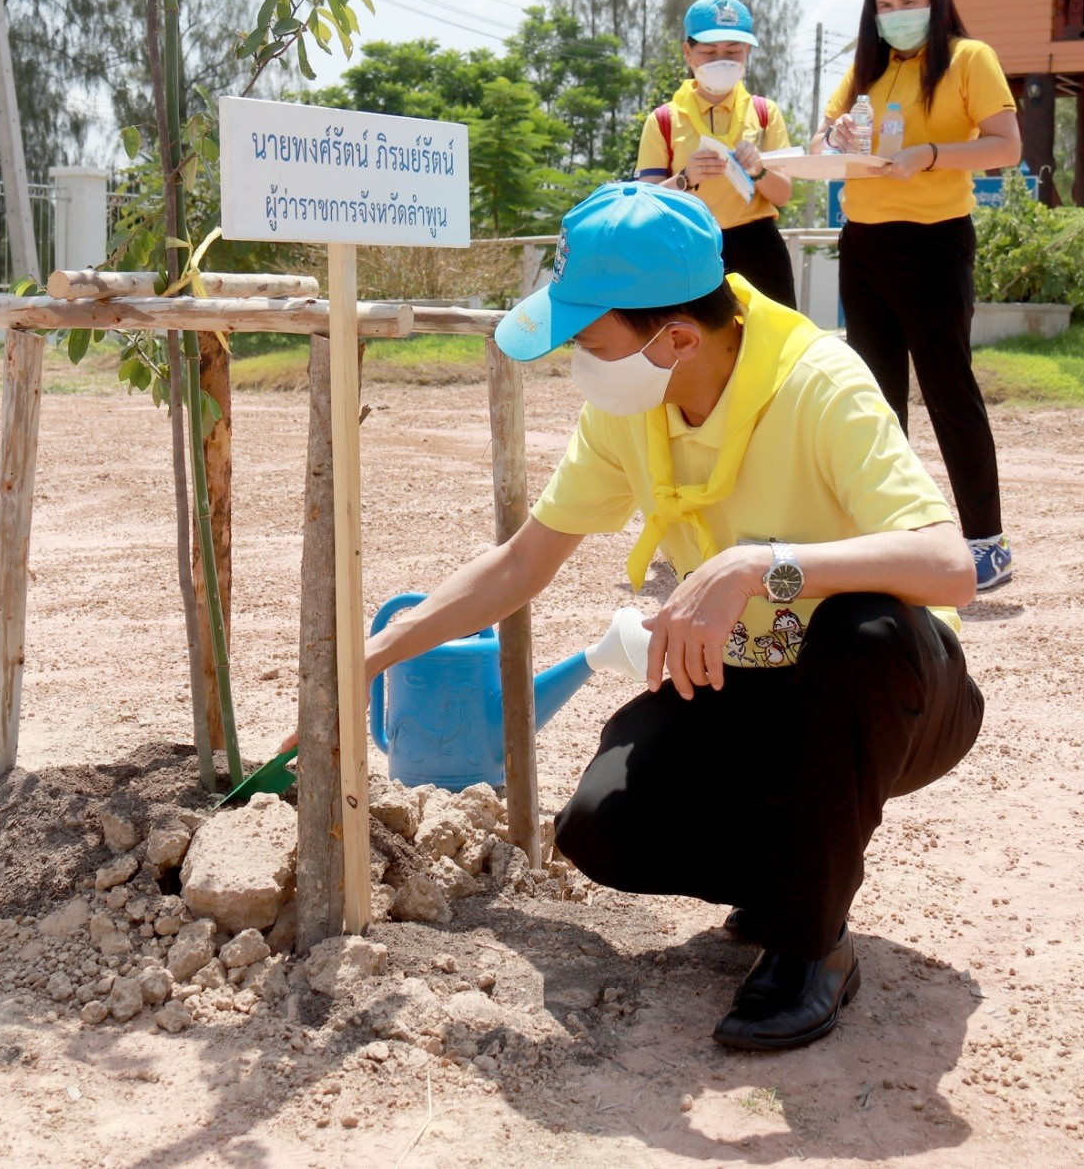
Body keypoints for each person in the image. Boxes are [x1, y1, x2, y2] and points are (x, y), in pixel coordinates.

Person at [364, 180, 983, 1051]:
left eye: (589, 337)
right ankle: (802, 874)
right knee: (604, 826)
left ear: (678, 336)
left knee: (862, 629)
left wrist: (763, 564)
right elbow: (521, 563)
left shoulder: (821, 386)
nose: (577, 357)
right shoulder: (634, 406)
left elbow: (950, 568)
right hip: (759, 680)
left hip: (897, 693)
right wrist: (368, 658)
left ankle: (812, 948)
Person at [812, 0, 1022, 591]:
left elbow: (1007, 145)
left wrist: (931, 153)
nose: (896, 15)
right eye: (884, 6)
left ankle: (985, 540)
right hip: (865, 243)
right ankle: (893, 535)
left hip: (935, 242)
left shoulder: (968, 59)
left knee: (948, 388)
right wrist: (836, 139)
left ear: (935, 0)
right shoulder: (864, 72)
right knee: (876, 396)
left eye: (908, 3)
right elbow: (820, 146)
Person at [636, 0, 799, 307]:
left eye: (733, 51)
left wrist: (759, 170)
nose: (721, 60)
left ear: (747, 52)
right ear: (688, 52)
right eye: (709, 52)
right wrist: (685, 178)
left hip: (758, 248)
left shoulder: (765, 113)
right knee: (692, 348)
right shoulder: (664, 120)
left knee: (769, 349)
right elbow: (646, 204)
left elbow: (783, 195)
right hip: (688, 246)